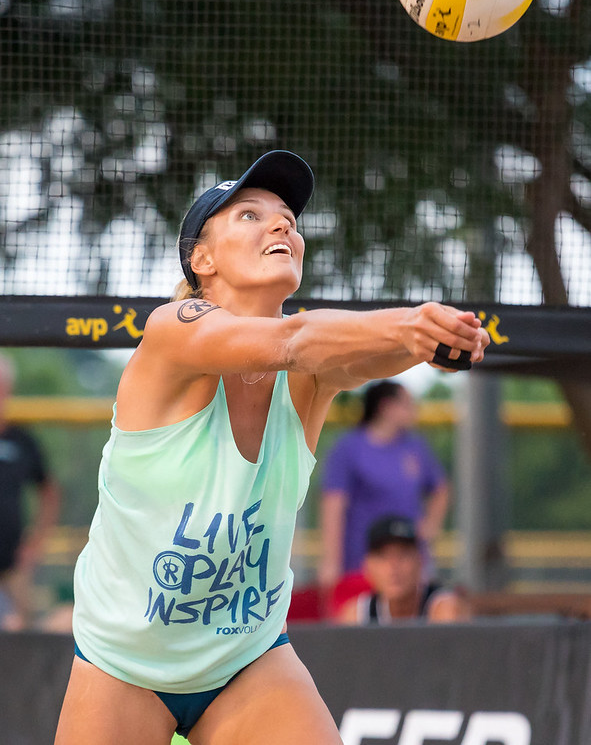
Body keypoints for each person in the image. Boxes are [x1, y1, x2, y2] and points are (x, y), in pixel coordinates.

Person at [55, 150, 489, 745]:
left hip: (246, 658)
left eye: (287, 216)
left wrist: (439, 340)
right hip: (124, 664)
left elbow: (358, 351)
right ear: (201, 258)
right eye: (250, 216)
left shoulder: (309, 375)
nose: (283, 224)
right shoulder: (172, 330)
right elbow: (296, 338)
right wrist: (409, 325)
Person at [319, 380, 449, 605]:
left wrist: (429, 528)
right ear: (386, 406)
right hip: (361, 564)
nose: (414, 410)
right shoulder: (349, 448)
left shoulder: (414, 447)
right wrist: (331, 561)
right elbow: (334, 505)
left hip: (410, 566)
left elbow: (441, 489)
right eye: (407, 404)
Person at [0, 353, 61, 630]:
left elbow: (49, 492)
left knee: (21, 632)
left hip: (14, 564)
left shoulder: (23, 440)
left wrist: (35, 545)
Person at [336, 515, 471, 625]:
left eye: (403, 555)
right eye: (383, 556)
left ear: (420, 561)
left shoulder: (443, 609)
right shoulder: (358, 615)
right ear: (367, 566)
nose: (393, 567)